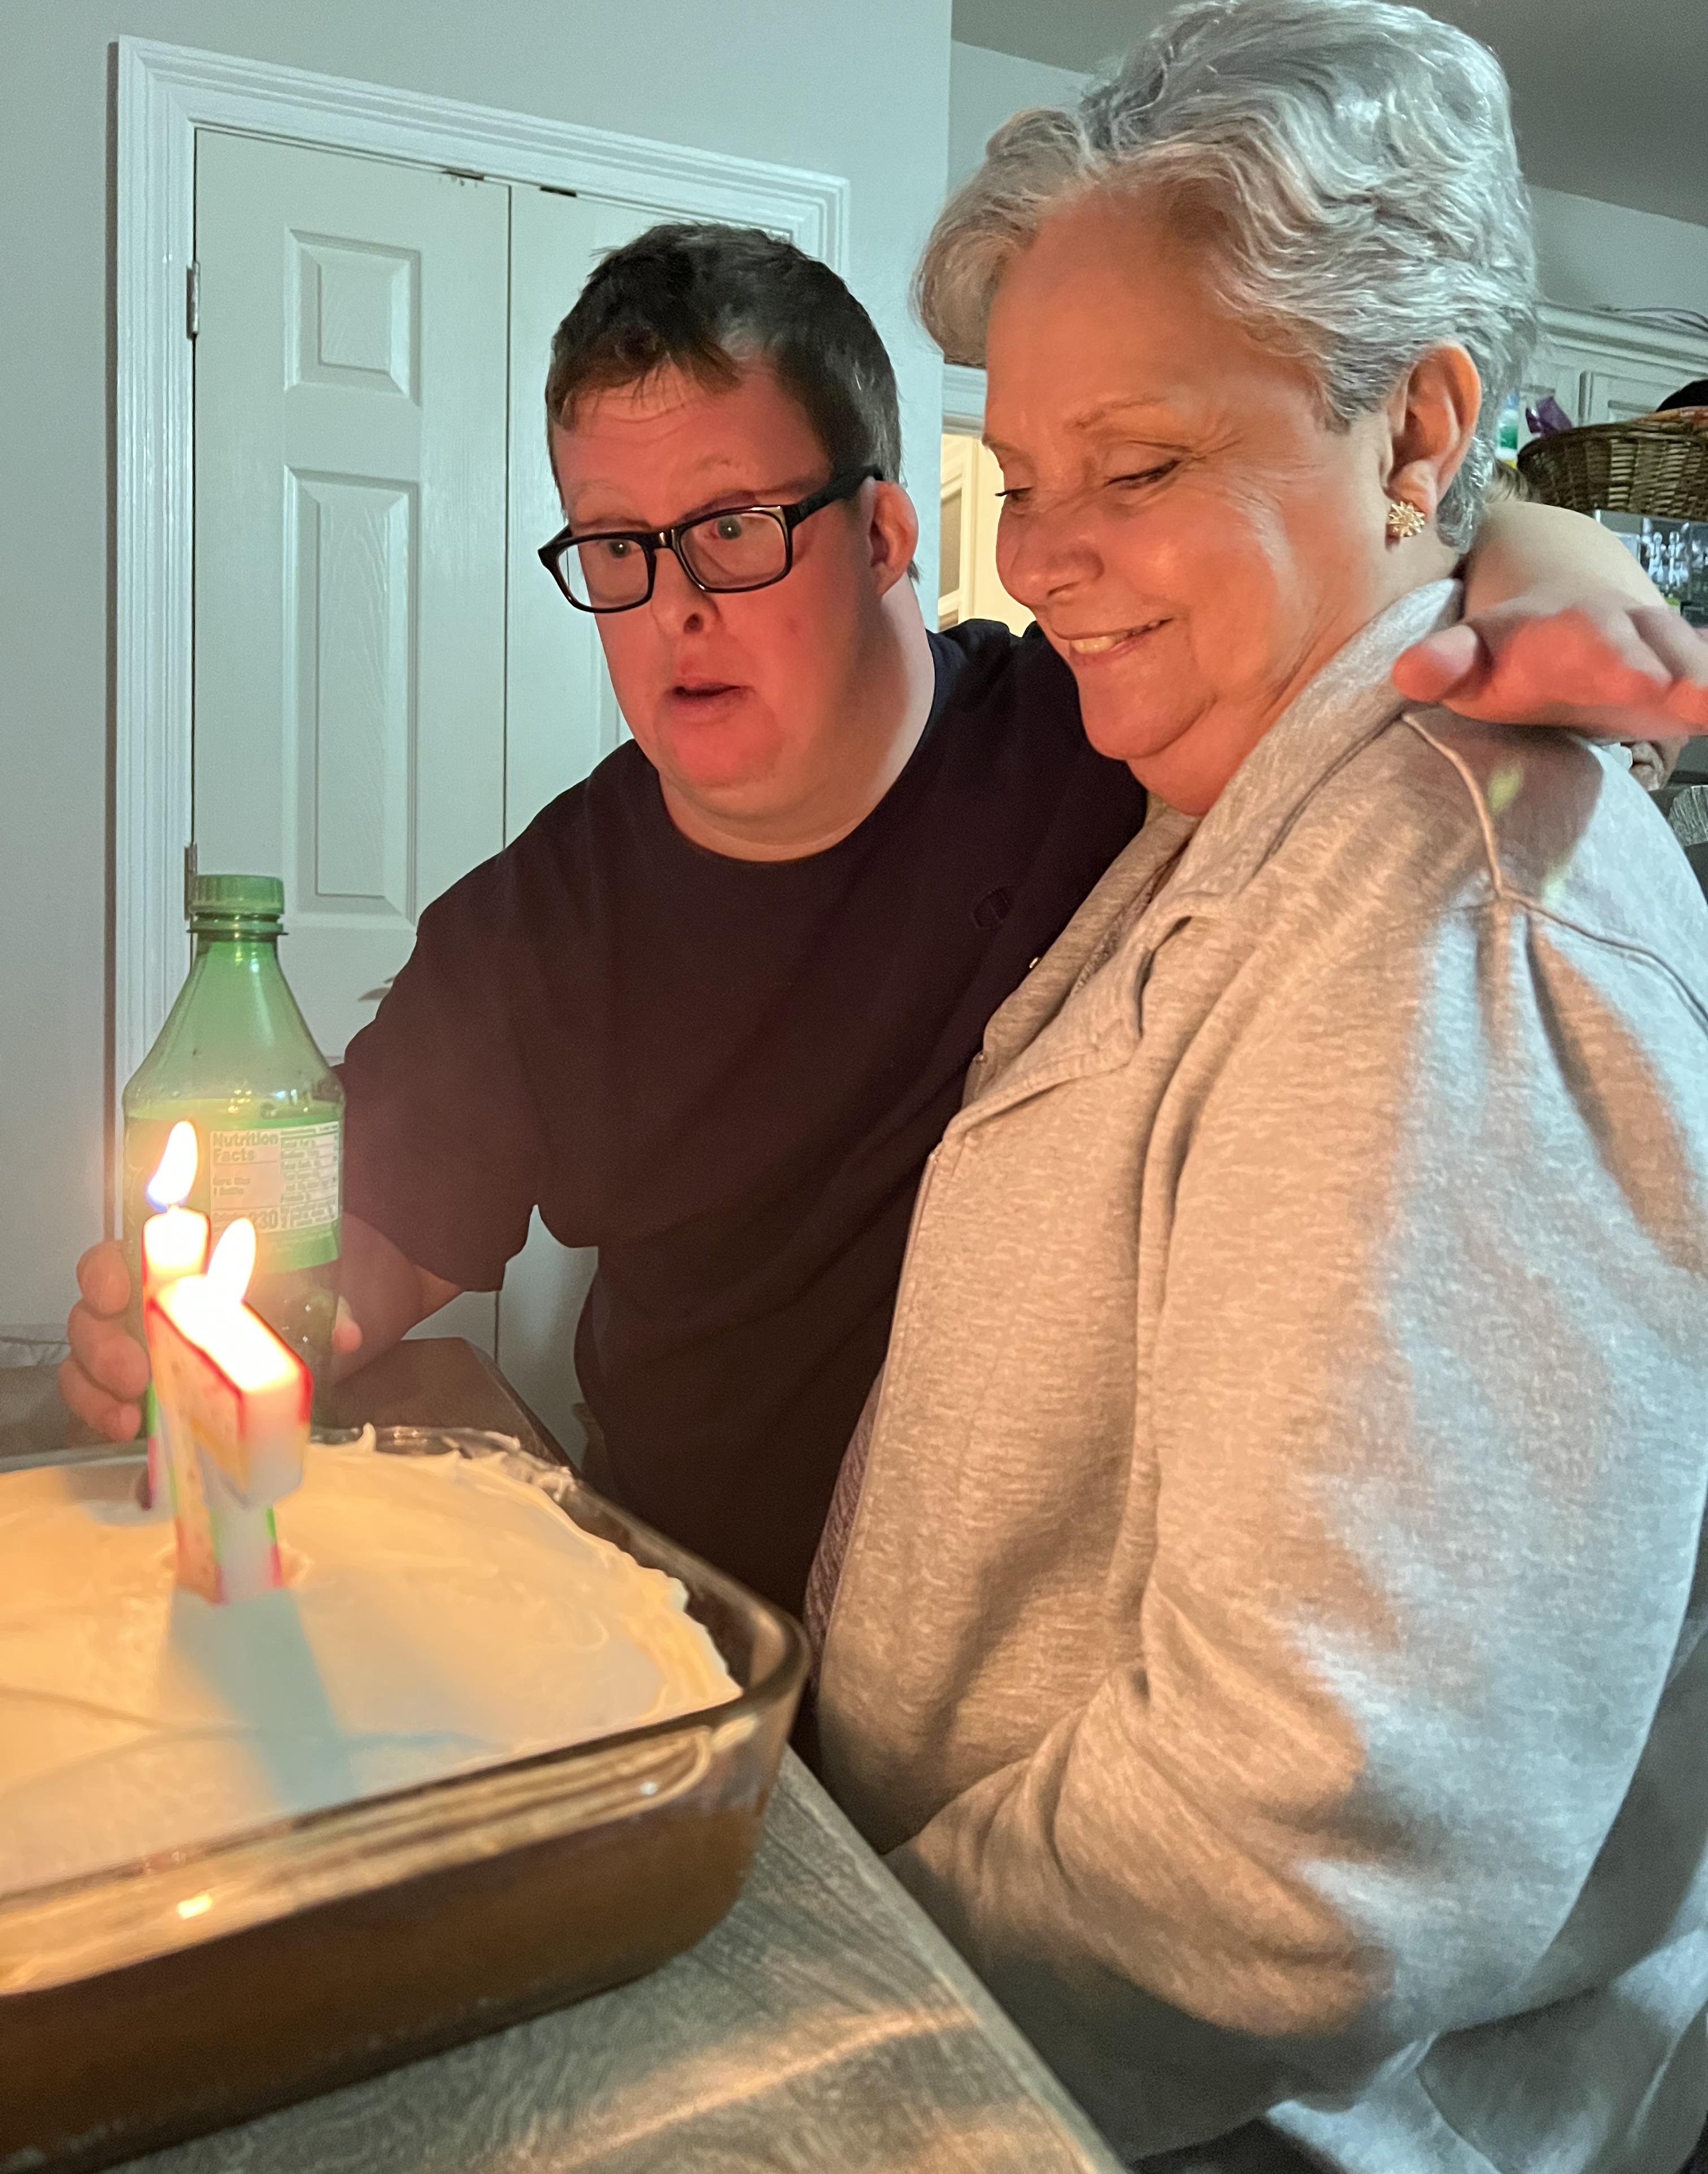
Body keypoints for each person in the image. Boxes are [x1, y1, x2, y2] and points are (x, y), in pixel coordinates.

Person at [61, 226, 1707, 1616]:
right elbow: (368, 1243)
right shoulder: (541, 925)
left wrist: (1538, 551)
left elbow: (1360, 591)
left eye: (732, 529)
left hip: (1048, 1663)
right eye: (618, 549)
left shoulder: (1103, 741)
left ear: (884, 535)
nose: (675, 606)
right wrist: (209, 1325)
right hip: (696, 1629)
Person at [811, 0, 1708, 2171]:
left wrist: (809, 2038)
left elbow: (1303, 1842)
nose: (1039, 557)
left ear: (1416, 428)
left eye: (1138, 468)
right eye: (1025, 478)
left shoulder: (1449, 911)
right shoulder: (1243, 788)